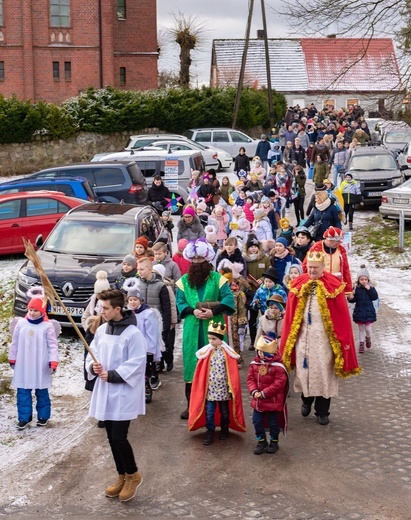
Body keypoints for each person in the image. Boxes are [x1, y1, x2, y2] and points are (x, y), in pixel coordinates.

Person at [280, 251, 361, 426]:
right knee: (304, 371)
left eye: (315, 268)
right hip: (304, 339)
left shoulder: (333, 285)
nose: (312, 271)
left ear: (323, 267)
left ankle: (322, 411)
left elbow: (341, 317)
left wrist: (339, 342)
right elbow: (290, 315)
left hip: (325, 340)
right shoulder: (299, 284)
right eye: (309, 268)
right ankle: (306, 400)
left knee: (325, 373)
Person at [85, 289, 146, 502]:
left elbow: (138, 363)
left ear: (117, 309)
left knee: (119, 437)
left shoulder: (133, 334)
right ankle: (122, 476)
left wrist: (111, 374)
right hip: (105, 391)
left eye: (105, 308)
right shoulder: (101, 330)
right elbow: (93, 354)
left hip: (123, 392)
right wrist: (94, 367)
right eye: (101, 307)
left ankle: (133, 475)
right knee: (111, 437)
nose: (101, 311)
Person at [175, 238, 235, 420]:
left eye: (200, 259)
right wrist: (192, 310)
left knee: (216, 365)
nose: (196, 263)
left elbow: (228, 299)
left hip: (214, 326)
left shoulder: (219, 279)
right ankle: (191, 405)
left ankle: (218, 408)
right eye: (193, 260)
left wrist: (213, 311)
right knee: (192, 366)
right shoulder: (183, 281)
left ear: (207, 259)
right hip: (192, 328)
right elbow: (180, 302)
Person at [188, 322, 246, 445]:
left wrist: (231, 387)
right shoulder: (206, 352)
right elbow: (201, 372)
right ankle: (210, 431)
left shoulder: (227, 354)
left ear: (221, 339)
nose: (211, 341)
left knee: (225, 412)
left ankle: (225, 429)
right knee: (209, 412)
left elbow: (232, 373)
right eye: (210, 339)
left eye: (214, 339)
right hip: (210, 391)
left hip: (224, 390)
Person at [9, 294, 60, 430]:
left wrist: (53, 361)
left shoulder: (47, 326)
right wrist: (12, 357)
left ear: (42, 311)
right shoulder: (21, 324)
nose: (32, 312)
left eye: (35, 310)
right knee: (23, 392)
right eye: (30, 309)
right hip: (23, 364)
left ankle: (43, 416)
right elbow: (15, 342)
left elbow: (53, 345)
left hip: (40, 364)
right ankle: (24, 417)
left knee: (41, 391)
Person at [247, 335, 289, 454]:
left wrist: (264, 393)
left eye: (263, 351)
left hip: (273, 402)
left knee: (273, 423)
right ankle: (261, 441)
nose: (260, 354)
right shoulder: (255, 364)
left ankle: (274, 442)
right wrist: (254, 391)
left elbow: (279, 383)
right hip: (258, 401)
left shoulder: (278, 367)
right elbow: (250, 379)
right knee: (256, 421)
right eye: (259, 351)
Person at [125, 282, 163, 404]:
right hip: (131, 348)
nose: (132, 302)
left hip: (144, 348)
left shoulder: (147, 314)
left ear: (140, 300)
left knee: (145, 371)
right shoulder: (126, 314)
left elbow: (152, 333)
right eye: (130, 300)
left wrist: (150, 350)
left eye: (135, 299)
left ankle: (147, 390)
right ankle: (134, 393)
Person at [136, 257, 172, 386]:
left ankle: (155, 375)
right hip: (140, 323)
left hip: (155, 322)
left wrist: (166, 325)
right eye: (138, 269)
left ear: (150, 269)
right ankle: (143, 376)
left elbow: (166, 307)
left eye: (142, 269)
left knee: (154, 349)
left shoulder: (160, 286)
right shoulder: (136, 284)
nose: (139, 272)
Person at [81, 270, 110, 394]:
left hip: (105, 335)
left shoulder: (110, 302)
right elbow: (84, 317)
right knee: (91, 359)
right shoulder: (93, 300)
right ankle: (91, 384)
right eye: (98, 293)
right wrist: (89, 328)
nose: (99, 296)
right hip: (92, 335)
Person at [303, 226, 353, 295]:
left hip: (336, 284)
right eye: (337, 241)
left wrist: (348, 289)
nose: (339, 243)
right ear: (330, 240)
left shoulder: (341, 249)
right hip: (319, 284)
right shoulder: (316, 248)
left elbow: (345, 269)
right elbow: (306, 266)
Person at [347, 264, 379, 353]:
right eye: (361, 279)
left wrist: (370, 289)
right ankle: (361, 344)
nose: (364, 281)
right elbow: (354, 300)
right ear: (358, 280)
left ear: (368, 280)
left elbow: (374, 297)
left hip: (369, 312)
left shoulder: (371, 287)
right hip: (359, 312)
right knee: (361, 329)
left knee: (368, 329)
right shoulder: (356, 288)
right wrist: (350, 298)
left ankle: (368, 337)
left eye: (365, 279)